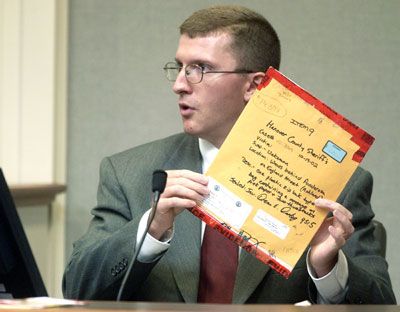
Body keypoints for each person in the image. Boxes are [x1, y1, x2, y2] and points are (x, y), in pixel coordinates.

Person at [62, 5, 396, 304]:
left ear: (255, 85)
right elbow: (76, 289)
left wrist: (328, 267)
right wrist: (149, 230)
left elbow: (382, 303)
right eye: (179, 67)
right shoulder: (129, 172)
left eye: (200, 69)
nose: (179, 84)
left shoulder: (337, 183)